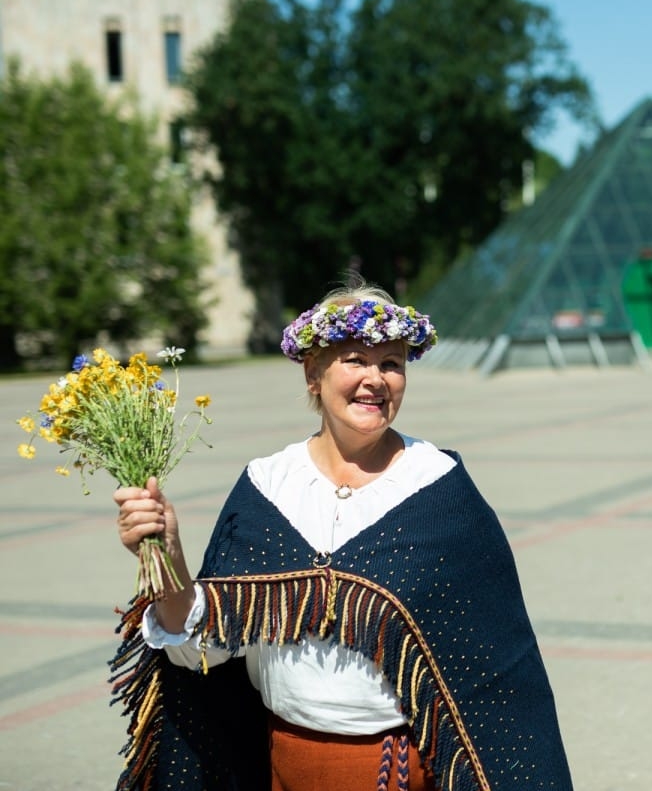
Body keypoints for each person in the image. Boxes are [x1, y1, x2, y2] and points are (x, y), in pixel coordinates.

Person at [111, 280, 573, 791]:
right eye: (355, 359)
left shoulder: (440, 489)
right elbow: (199, 650)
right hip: (277, 766)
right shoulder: (267, 485)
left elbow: (498, 676)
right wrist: (170, 556)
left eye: (392, 363)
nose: (375, 379)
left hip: (392, 774)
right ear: (314, 374)